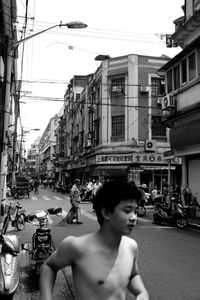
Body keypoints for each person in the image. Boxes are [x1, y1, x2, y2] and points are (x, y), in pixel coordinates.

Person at [39, 179, 149, 300]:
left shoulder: (131, 247)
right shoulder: (77, 247)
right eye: (127, 211)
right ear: (107, 213)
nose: (134, 217)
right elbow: (49, 266)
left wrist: (141, 292)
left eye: (135, 211)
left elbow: (132, 274)